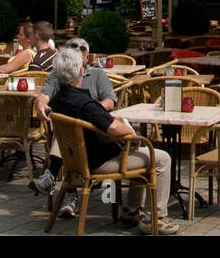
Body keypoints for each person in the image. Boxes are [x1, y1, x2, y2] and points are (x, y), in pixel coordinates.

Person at [45, 47, 178, 234]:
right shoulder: (84, 103)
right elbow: (114, 127)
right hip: (100, 162)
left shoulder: (58, 100)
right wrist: (132, 135)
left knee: (137, 152)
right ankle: (153, 218)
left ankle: (132, 211)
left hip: (76, 161)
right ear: (81, 71)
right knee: (161, 158)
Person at [34, 36, 116, 211]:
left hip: (95, 131)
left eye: (82, 49)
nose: (77, 50)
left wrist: (91, 112)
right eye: (72, 47)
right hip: (70, 134)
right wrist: (41, 105)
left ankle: (52, 175)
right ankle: (68, 192)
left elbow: (110, 101)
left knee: (69, 126)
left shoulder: (97, 74)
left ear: (87, 58)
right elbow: (44, 96)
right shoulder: (59, 75)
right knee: (67, 127)